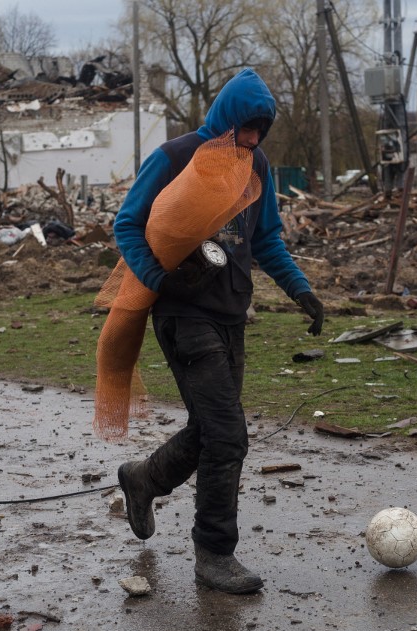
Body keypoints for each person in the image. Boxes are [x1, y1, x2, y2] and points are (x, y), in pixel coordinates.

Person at [112, 67, 325, 595]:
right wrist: (158, 277)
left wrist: (301, 290)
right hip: (183, 316)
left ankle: (145, 478)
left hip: (232, 315)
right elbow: (126, 223)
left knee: (211, 429)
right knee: (228, 436)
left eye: (260, 132)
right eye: (245, 128)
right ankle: (214, 554)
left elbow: (268, 238)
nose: (251, 140)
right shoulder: (174, 157)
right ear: (227, 118)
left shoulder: (258, 166)